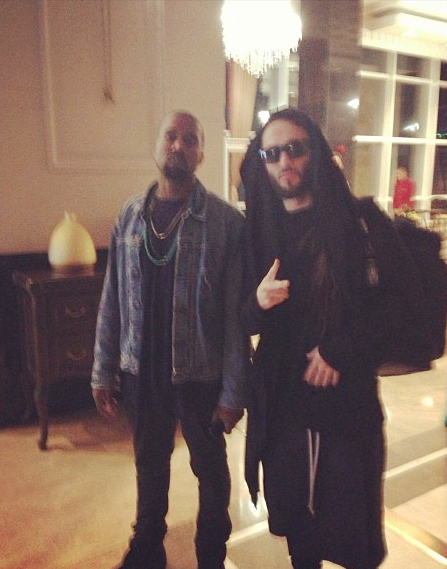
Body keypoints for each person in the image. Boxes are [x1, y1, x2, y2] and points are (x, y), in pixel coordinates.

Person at [91, 110, 247, 569]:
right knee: (149, 466)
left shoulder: (226, 223)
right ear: (157, 145)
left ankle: (211, 556)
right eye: (170, 136)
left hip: (202, 376)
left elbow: (236, 318)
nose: (178, 145)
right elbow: (113, 298)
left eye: (190, 139)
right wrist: (102, 370)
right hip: (142, 372)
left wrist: (233, 393)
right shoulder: (129, 216)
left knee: (211, 474)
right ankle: (146, 550)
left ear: (201, 153)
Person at [240, 108, 387, 569]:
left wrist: (340, 350)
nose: (284, 161)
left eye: (295, 149)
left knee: (352, 538)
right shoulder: (259, 233)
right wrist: (257, 302)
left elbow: (389, 307)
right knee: (300, 536)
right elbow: (240, 320)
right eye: (272, 153)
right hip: (284, 411)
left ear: (315, 153)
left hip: (343, 410)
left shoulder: (356, 223)